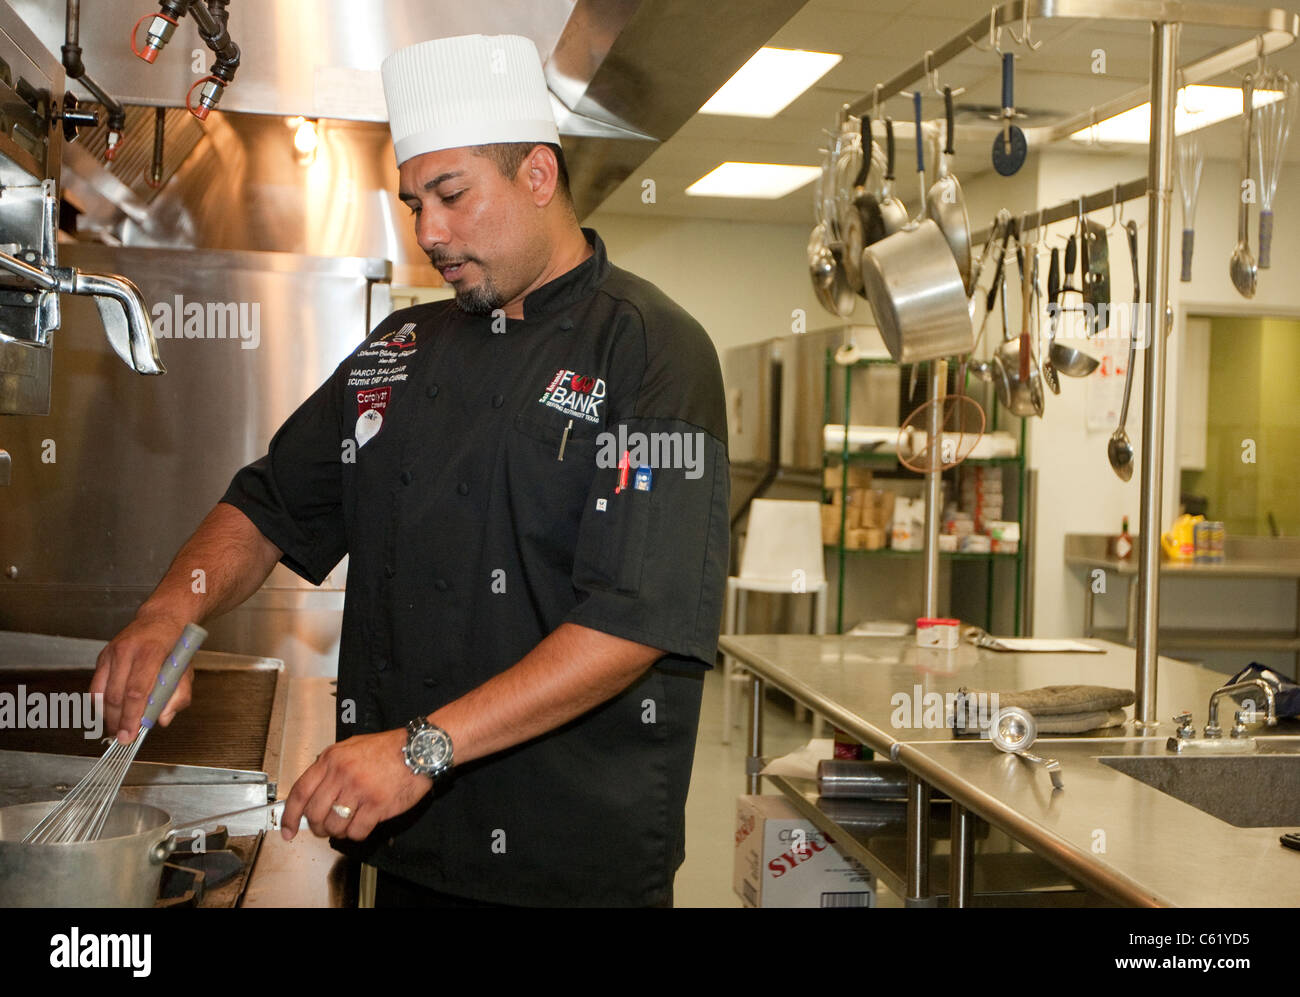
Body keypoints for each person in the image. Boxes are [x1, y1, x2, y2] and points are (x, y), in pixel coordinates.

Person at [90, 33, 729, 908]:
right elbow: (271, 504)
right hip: (409, 849)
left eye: (452, 196)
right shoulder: (400, 349)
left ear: (538, 175)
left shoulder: (652, 351)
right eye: (413, 201)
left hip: (570, 867)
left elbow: (630, 623)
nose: (429, 231)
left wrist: (419, 747)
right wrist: (170, 611)